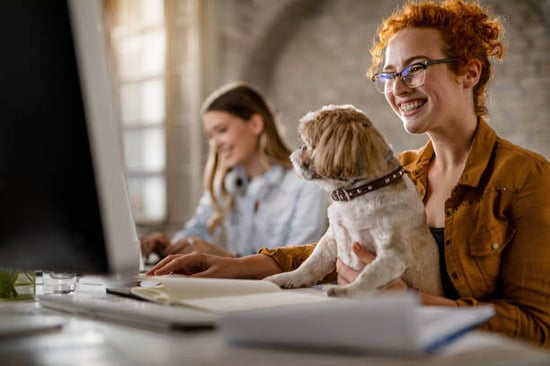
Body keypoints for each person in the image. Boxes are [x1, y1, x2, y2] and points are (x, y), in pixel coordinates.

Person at [147, 0, 550, 348]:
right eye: (389, 75)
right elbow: (332, 246)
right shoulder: (404, 171)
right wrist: (234, 267)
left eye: (417, 68)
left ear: (470, 73)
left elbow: (538, 328)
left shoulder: (525, 177)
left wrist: (408, 298)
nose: (399, 88)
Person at [140, 82, 327, 259]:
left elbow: (300, 262)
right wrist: (168, 246)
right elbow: (196, 231)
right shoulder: (229, 184)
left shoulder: (306, 185)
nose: (215, 145)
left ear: (255, 124)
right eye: (210, 136)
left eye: (221, 130)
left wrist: (227, 260)